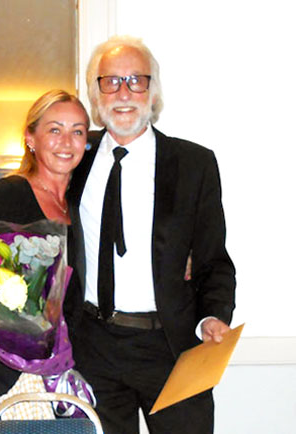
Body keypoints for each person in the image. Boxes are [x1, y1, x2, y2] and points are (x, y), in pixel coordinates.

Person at [64, 35, 235, 433]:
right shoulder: (74, 159)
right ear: (95, 92)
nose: (124, 92)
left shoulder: (194, 164)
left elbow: (214, 261)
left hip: (171, 346)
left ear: (153, 90)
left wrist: (213, 315)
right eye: (111, 81)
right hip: (92, 346)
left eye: (136, 80)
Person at [0, 89, 89, 432]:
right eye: (54, 129)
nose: (66, 141)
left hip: (56, 367)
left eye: (78, 131)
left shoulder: (77, 204)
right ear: (30, 137)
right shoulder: (10, 192)